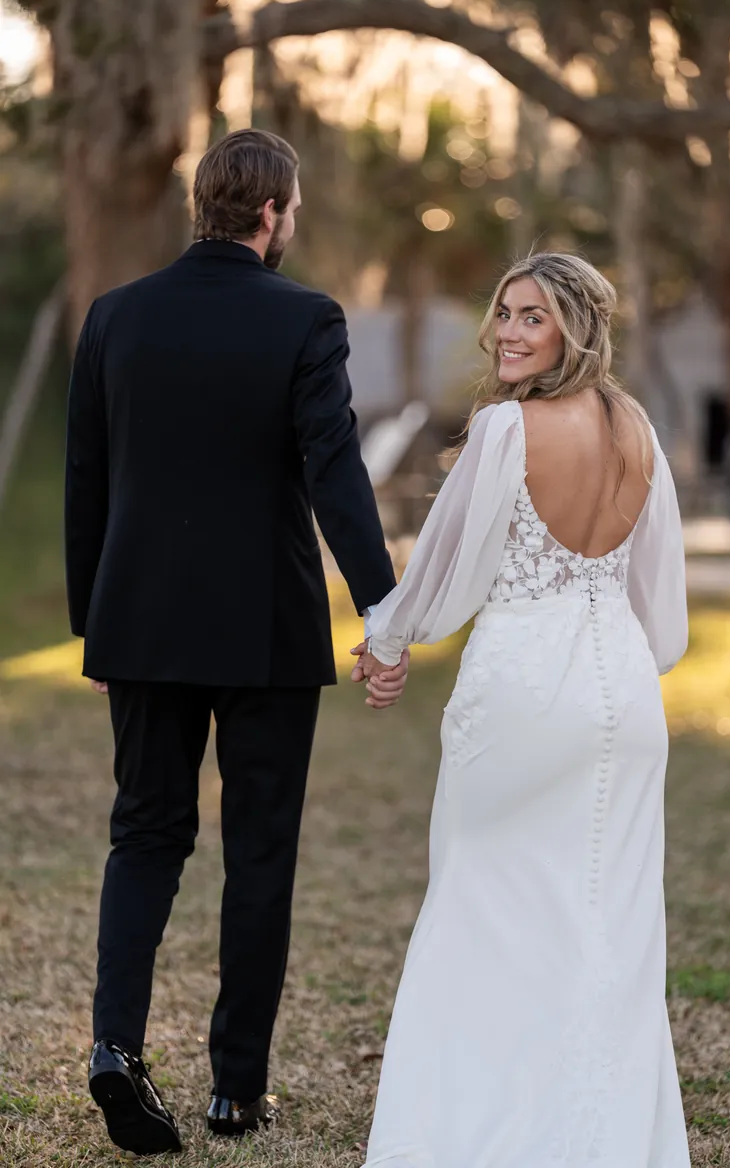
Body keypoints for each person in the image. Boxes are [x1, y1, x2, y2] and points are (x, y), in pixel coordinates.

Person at [64, 128, 407, 1157]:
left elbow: (89, 481)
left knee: (145, 833)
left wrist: (96, 626)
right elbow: (335, 474)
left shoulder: (115, 317)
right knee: (257, 851)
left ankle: (115, 1050)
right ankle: (234, 1093)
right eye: (291, 210)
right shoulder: (305, 317)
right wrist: (381, 612)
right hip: (264, 627)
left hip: (140, 624)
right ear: (270, 214)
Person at [354, 252, 691, 1167]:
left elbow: (443, 573)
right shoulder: (640, 433)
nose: (507, 332)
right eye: (504, 313)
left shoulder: (508, 429)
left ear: (574, 328)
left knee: (481, 904)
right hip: (622, 692)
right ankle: (599, 1136)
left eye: (531, 317)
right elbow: (664, 616)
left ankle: (472, 1135)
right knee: (605, 921)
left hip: (523, 682)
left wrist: (387, 641)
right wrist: (621, 662)